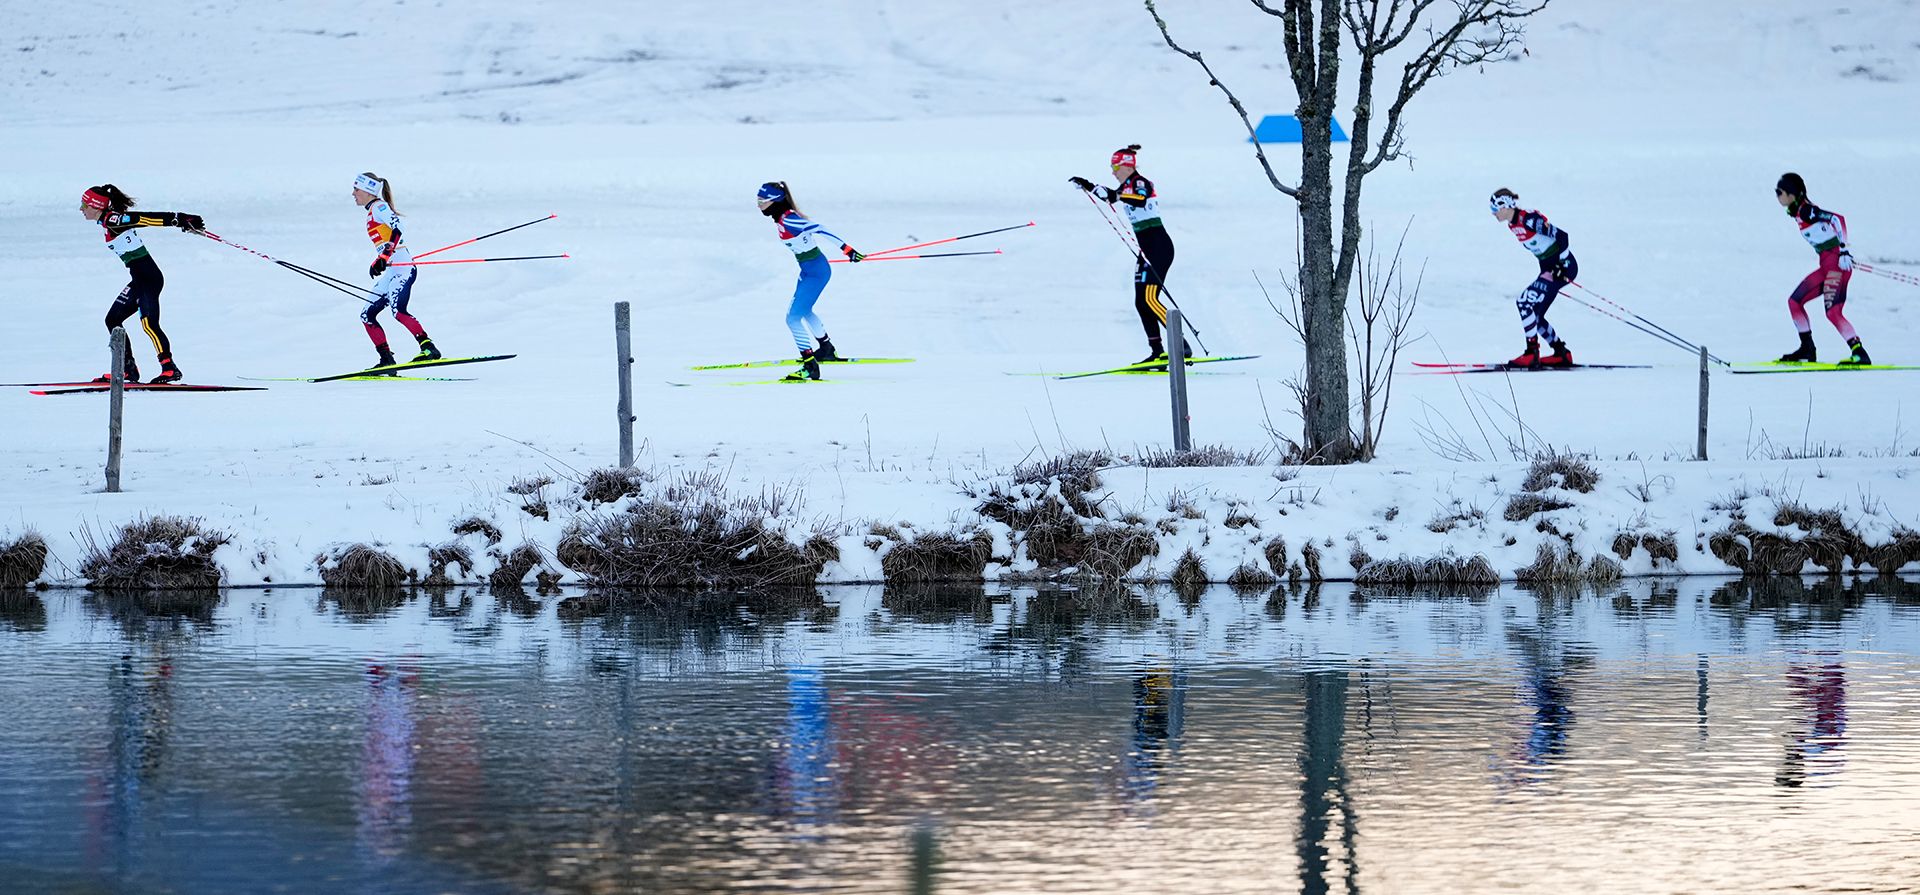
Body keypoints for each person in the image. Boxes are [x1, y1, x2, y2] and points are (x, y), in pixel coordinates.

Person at [80, 185, 205, 383]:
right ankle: (127, 369)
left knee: (149, 324)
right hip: (139, 280)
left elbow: (142, 218)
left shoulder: (113, 220)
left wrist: (178, 218)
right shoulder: (108, 220)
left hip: (148, 280)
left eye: (84, 205)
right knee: (112, 320)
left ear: (95, 206)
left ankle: (169, 368)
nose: (81, 209)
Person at [1072, 144, 1175, 364]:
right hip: (1145, 251)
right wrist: (1088, 186)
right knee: (1141, 302)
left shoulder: (1139, 182)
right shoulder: (1125, 187)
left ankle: (1180, 344)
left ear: (1127, 167)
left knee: (1150, 298)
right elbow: (1111, 197)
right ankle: (1158, 351)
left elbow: (1139, 198)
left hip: (1159, 247)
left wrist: (1117, 196)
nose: (1112, 172)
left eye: (1115, 167)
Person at [757, 181, 864, 382]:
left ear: (775, 201)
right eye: (758, 200)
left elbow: (820, 228)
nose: (759, 205)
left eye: (762, 201)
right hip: (809, 270)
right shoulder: (782, 218)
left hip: (816, 272)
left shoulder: (789, 220)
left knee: (792, 318)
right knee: (804, 311)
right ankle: (826, 349)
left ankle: (810, 366)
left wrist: (847, 249)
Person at [1774, 173, 1868, 364]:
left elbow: (1838, 219)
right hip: (1826, 267)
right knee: (1795, 302)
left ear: (1791, 194)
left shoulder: (1807, 211)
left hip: (1837, 266)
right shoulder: (1799, 212)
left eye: (1779, 192)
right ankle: (1807, 349)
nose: (1777, 196)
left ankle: (1860, 353)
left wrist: (1843, 251)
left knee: (1833, 312)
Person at [352, 172, 439, 372]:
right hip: (392, 270)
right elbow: (385, 242)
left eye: (356, 189)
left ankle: (429, 349)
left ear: (367, 190)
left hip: (403, 268)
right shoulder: (372, 211)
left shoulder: (379, 207)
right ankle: (387, 360)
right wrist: (379, 260)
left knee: (398, 312)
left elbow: (398, 228)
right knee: (367, 314)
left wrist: (385, 256)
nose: (353, 193)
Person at [1490, 188, 1577, 368]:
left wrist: (1560, 265)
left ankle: (1532, 353)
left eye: (1495, 209)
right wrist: (1547, 271)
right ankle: (1561, 353)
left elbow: (1562, 237)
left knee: (1523, 303)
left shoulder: (1528, 220)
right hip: (1551, 270)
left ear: (1505, 205)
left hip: (1563, 268)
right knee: (1534, 314)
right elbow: (1541, 251)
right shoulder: (1513, 225)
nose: (1493, 214)